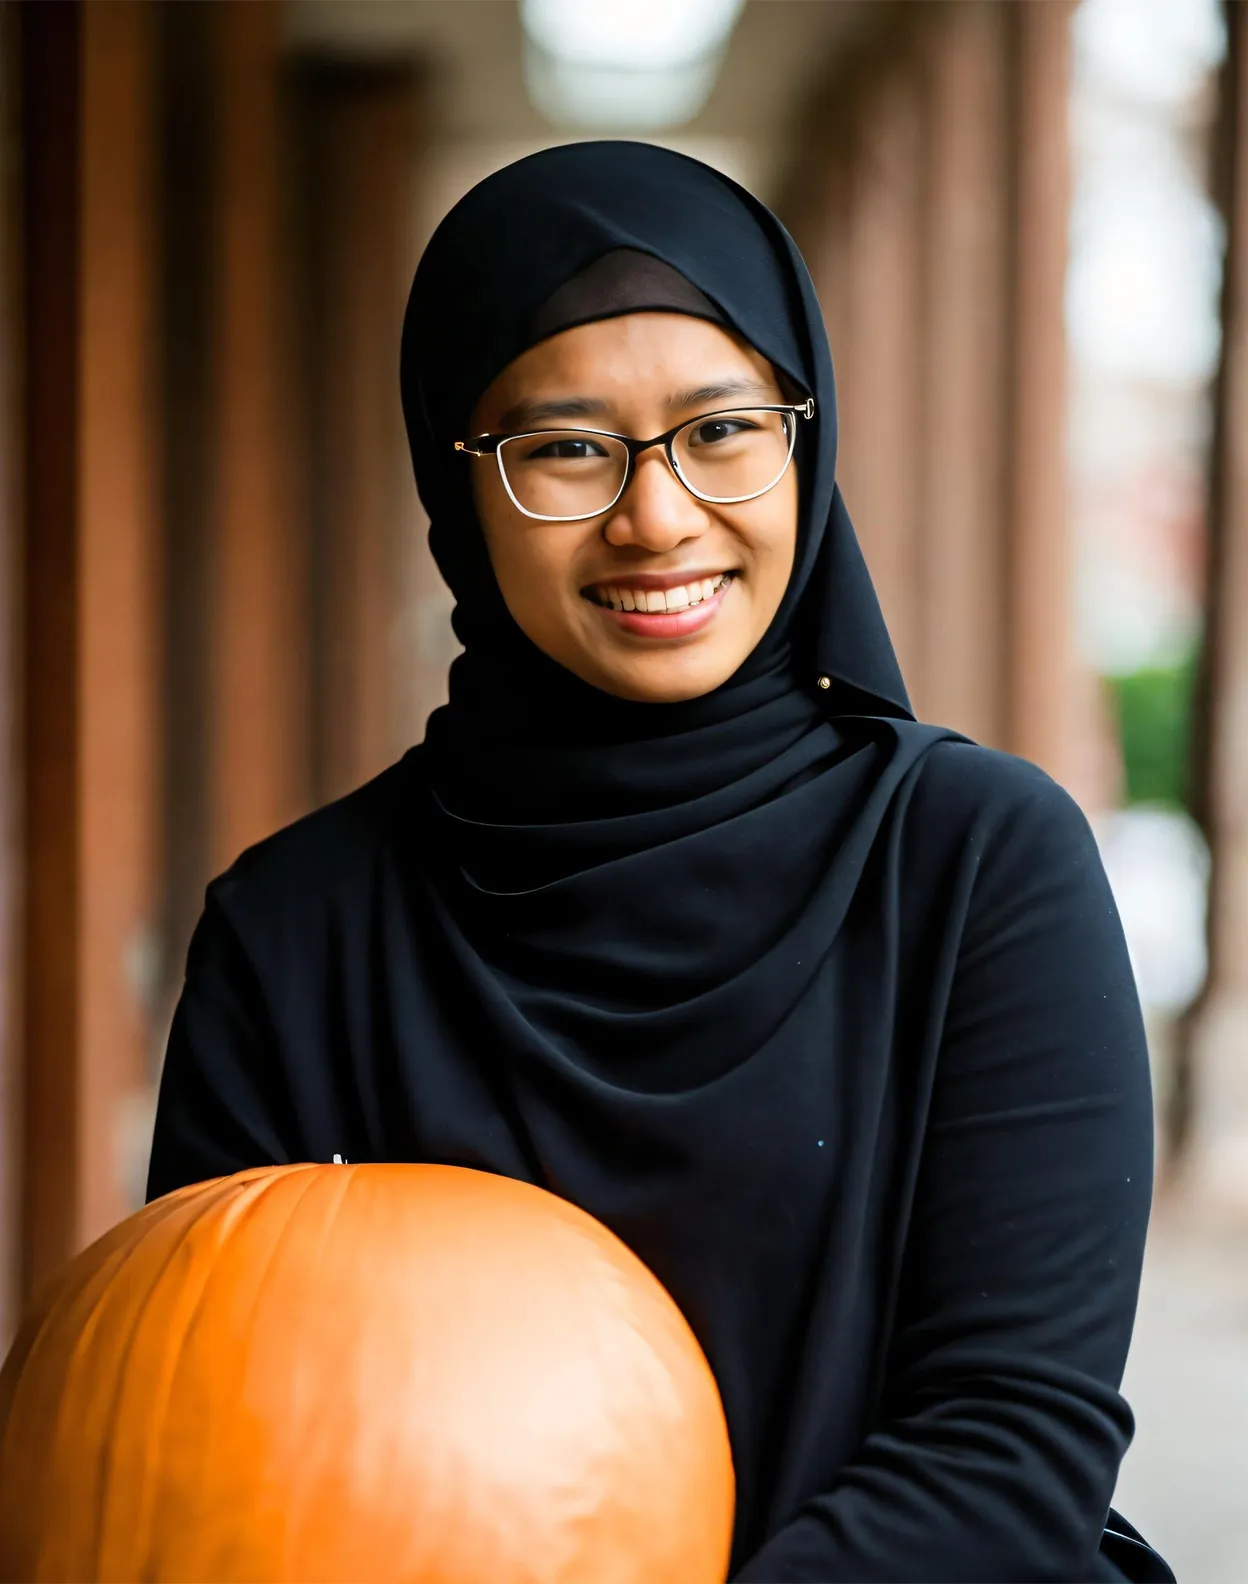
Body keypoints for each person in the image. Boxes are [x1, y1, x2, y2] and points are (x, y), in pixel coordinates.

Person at [146, 142, 1173, 1582]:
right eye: (566, 446)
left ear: (803, 444)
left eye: (721, 430)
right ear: (458, 484)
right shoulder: (293, 935)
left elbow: (1011, 1443)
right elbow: (203, 1428)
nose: (658, 517)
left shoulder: (976, 866)